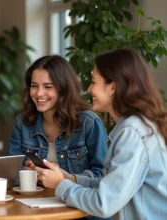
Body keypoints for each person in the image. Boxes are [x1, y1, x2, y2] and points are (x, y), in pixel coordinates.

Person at [35, 49, 167, 219]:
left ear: (112, 87)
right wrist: (69, 178)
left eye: (93, 82)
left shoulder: (132, 132)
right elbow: (113, 185)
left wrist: (61, 184)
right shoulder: (134, 126)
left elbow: (104, 203)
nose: (89, 89)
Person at [8, 54, 108, 184]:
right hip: (34, 201)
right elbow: (10, 173)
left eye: (48, 86)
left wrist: (67, 179)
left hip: (75, 201)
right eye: (34, 86)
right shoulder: (22, 123)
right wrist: (28, 175)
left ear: (63, 88)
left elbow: (104, 175)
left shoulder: (88, 122)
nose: (39, 93)